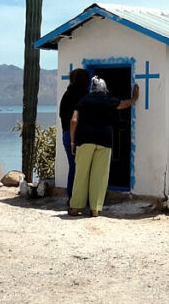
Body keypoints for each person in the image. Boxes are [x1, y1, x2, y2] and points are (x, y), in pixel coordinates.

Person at [68, 76, 139, 217]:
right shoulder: (109, 100)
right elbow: (124, 104)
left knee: (81, 174)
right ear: (104, 88)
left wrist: (72, 142)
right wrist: (134, 98)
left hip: (84, 140)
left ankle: (75, 208)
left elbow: (74, 120)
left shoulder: (83, 101)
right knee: (99, 175)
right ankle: (95, 209)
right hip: (104, 140)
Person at [58, 68, 91, 200]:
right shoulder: (85, 97)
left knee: (74, 166)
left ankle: (72, 197)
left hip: (66, 134)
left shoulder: (66, 95)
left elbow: (62, 116)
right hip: (80, 135)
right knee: (85, 167)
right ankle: (82, 197)